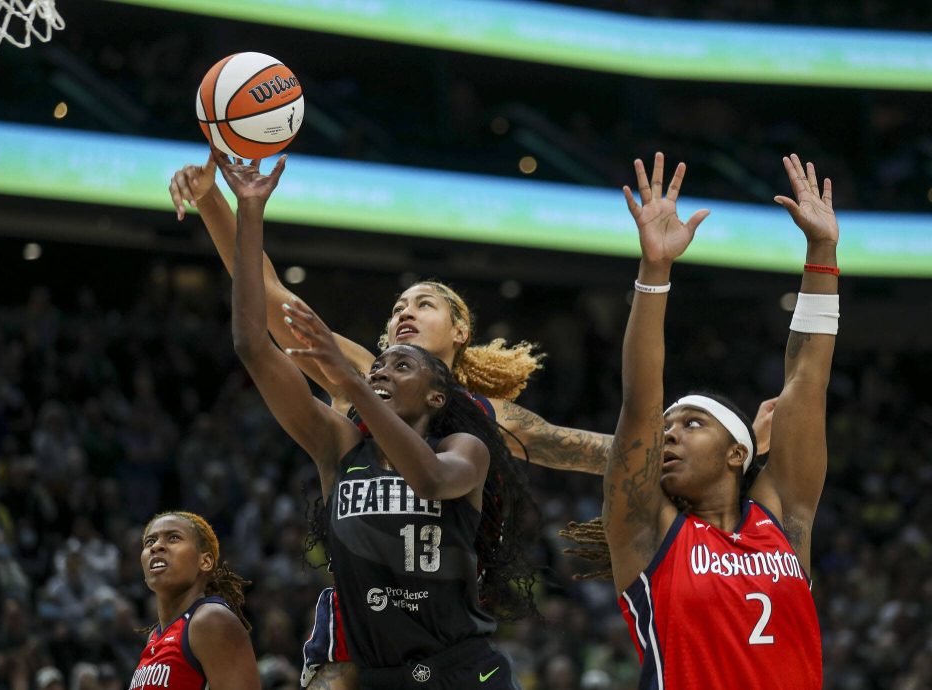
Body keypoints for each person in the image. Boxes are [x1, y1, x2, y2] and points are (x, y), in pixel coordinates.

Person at [169, 150, 776, 689]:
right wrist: (214, 203)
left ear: (460, 331)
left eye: (424, 304)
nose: (405, 312)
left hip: (448, 624)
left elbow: (606, 453)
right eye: (398, 309)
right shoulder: (359, 373)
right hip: (363, 627)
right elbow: (268, 302)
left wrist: (734, 439)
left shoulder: (491, 417)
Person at [219, 151, 535, 690]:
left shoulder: (466, 446)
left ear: (437, 396)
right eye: (379, 363)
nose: (383, 370)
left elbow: (432, 480)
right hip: (377, 675)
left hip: (461, 669)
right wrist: (250, 210)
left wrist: (353, 382)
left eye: (401, 365)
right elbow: (253, 344)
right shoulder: (337, 442)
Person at [589, 152, 835, 688]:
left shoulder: (783, 520)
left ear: (736, 453)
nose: (669, 432)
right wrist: (655, 271)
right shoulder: (646, 531)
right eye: (669, 425)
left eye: (693, 423)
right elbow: (639, 404)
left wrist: (822, 252)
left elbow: (806, 380)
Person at [131, 511, 260, 690]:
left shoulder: (210, 620)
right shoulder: (154, 637)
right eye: (150, 542)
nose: (157, 546)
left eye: (173, 538)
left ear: (205, 561)